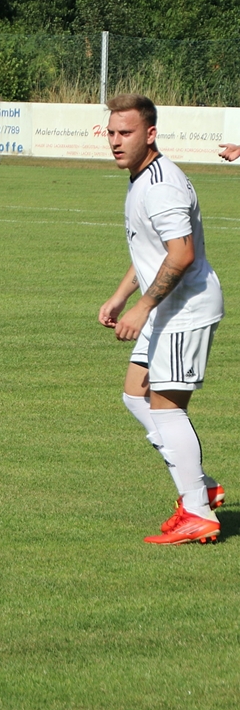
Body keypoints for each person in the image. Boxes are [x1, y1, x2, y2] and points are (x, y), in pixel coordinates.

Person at [98, 94, 225, 545]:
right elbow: (151, 250)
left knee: (167, 408)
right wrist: (120, 295)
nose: (115, 141)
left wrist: (143, 306)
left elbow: (182, 254)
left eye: (125, 133)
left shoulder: (161, 185)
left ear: (150, 134)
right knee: (136, 396)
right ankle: (201, 486)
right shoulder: (141, 178)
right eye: (111, 132)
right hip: (165, 306)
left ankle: (198, 511)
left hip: (183, 309)